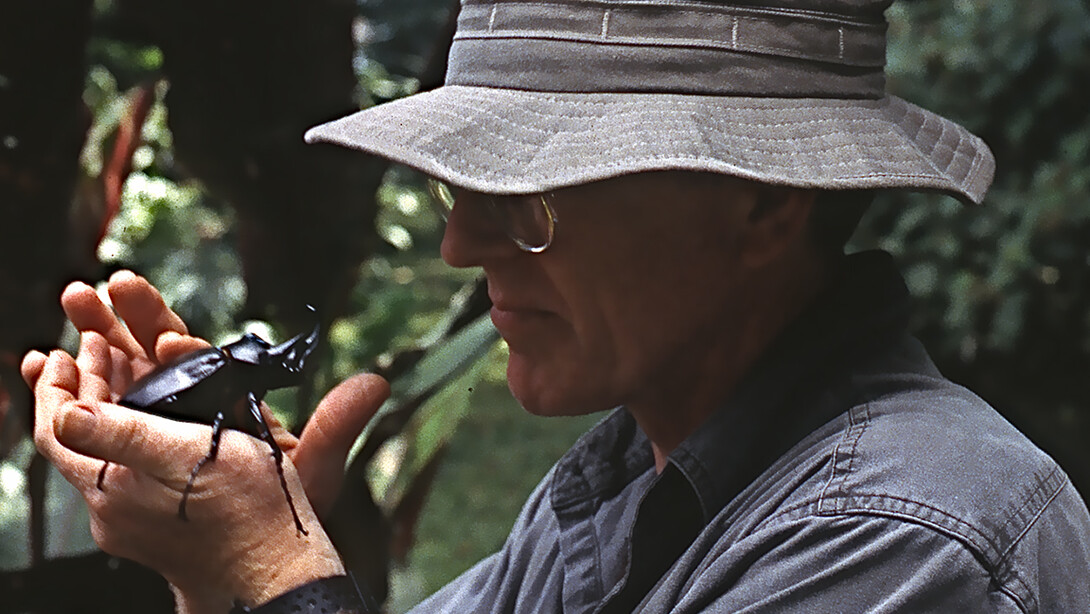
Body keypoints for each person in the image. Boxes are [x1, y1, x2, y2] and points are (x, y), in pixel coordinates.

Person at [22, 0, 1090, 612]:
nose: (458, 245)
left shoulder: (902, 537)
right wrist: (216, 562)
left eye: (525, 201)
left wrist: (267, 563)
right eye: (458, 192)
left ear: (763, 203)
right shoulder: (627, 486)